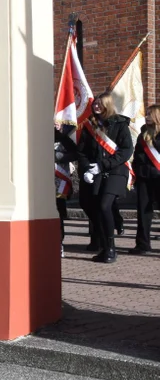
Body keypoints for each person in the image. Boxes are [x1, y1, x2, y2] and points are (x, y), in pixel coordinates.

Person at [77, 91, 133, 263]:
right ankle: (104, 242)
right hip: (96, 172)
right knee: (87, 203)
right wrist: (86, 168)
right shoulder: (89, 126)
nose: (96, 106)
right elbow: (82, 152)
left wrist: (103, 165)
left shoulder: (120, 124)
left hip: (116, 171)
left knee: (104, 205)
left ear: (107, 104)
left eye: (99, 104)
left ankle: (110, 249)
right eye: (95, 104)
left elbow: (126, 150)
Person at [130, 105, 160, 254]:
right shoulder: (143, 133)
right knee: (143, 212)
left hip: (158, 177)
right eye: (146, 114)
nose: (147, 116)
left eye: (150, 114)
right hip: (144, 178)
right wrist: (137, 170)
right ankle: (143, 244)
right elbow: (137, 154)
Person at [54, 126, 78, 256]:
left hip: (59, 182)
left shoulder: (63, 137)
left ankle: (59, 243)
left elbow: (75, 153)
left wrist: (61, 156)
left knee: (58, 214)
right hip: (41, 182)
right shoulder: (37, 135)